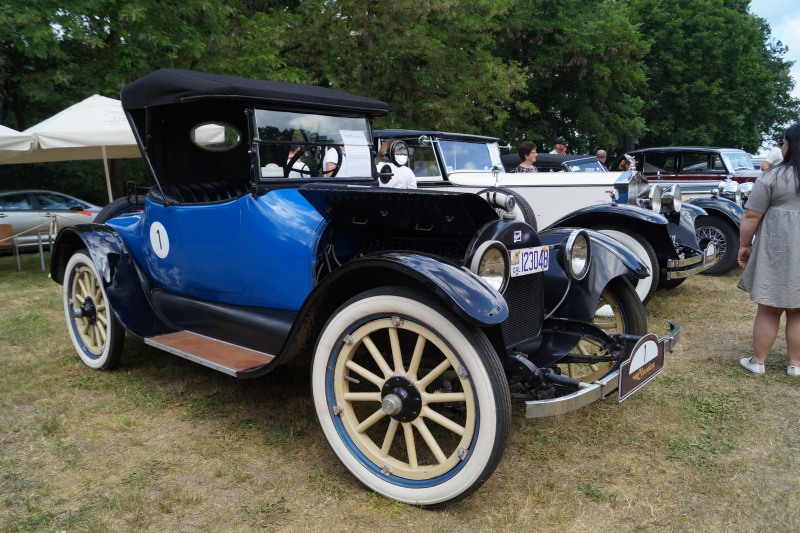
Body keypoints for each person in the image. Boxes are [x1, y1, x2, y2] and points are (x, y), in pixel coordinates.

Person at [737, 124, 800, 376]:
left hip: (777, 247)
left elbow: (752, 214)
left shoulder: (772, 176)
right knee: (798, 309)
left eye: (783, 142)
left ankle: (758, 362)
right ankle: (795, 365)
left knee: (770, 308)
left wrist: (744, 245)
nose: (781, 147)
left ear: (791, 145)